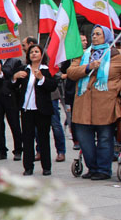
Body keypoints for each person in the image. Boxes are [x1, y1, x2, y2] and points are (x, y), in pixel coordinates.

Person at [68, 25, 121, 181]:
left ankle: (104, 170)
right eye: (93, 34)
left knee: (105, 138)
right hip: (83, 105)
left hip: (106, 104)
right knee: (85, 140)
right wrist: (89, 67)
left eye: (98, 34)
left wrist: (116, 88)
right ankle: (92, 168)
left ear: (107, 36)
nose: (94, 36)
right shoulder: (83, 54)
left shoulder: (117, 56)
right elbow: (71, 73)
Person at [11, 44, 57, 176]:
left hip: (42, 110)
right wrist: (15, 77)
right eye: (31, 52)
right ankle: (28, 167)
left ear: (42, 54)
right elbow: (11, 86)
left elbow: (53, 86)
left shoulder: (47, 70)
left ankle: (46, 166)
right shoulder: (24, 69)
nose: (34, 54)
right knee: (27, 138)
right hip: (27, 109)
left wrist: (42, 78)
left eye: (37, 51)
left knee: (43, 138)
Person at [62, 33, 89, 151]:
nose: (85, 42)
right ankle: (76, 140)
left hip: (87, 90)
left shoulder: (91, 55)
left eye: (85, 40)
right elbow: (63, 70)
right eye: (82, 40)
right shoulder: (70, 57)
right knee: (73, 116)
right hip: (72, 91)